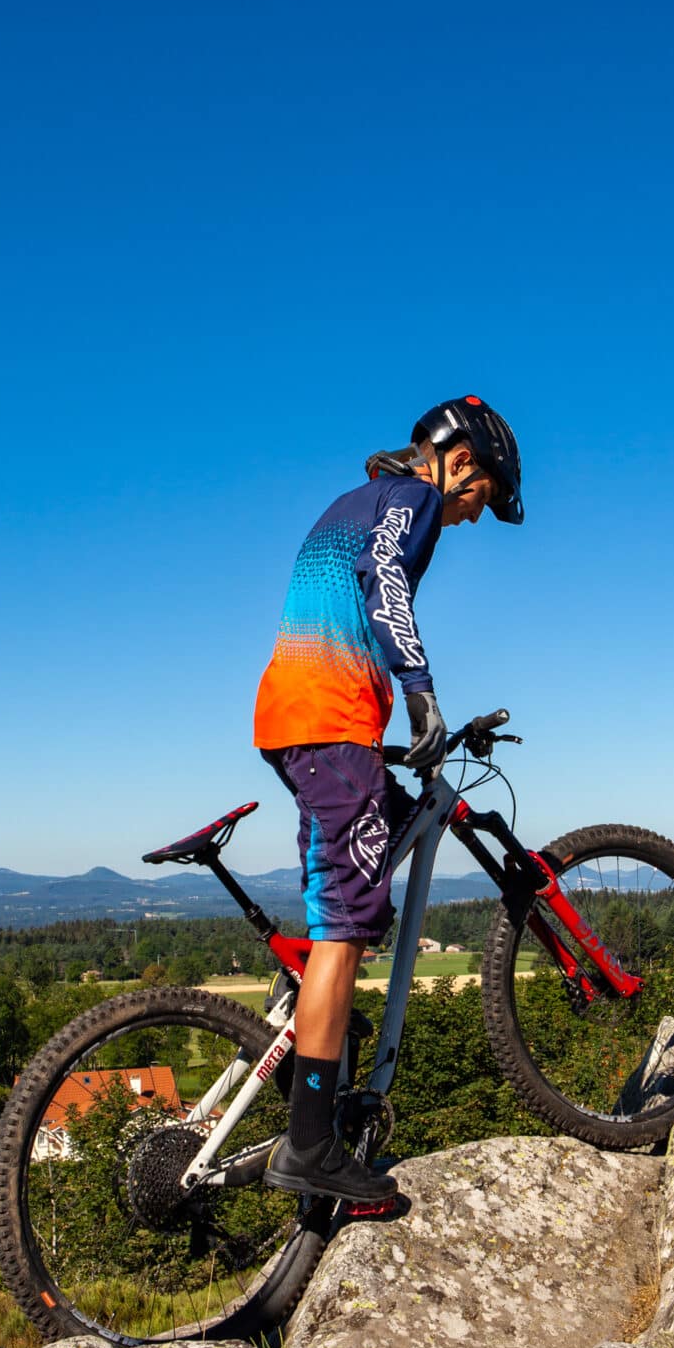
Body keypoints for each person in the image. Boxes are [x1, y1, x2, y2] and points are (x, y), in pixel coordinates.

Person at [252, 396, 523, 1202]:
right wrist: (423, 694)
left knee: (368, 857)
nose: (471, 518)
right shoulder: (412, 500)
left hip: (309, 720)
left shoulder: (357, 500)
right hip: (329, 721)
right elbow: (385, 590)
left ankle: (301, 1003)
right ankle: (309, 1146)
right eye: (480, 497)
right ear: (459, 461)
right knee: (347, 929)